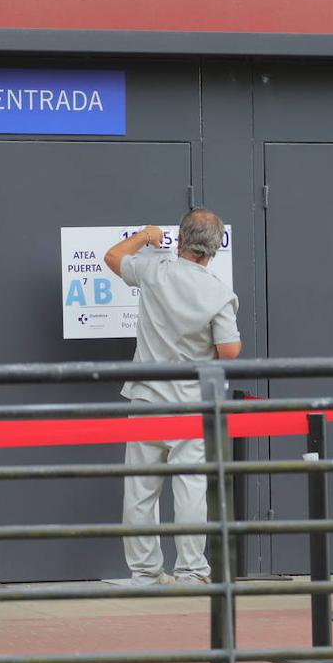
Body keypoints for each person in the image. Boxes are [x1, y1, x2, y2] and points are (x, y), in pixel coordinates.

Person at [105, 208, 240, 586]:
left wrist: (145, 236)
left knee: (140, 491)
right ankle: (192, 570)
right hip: (192, 403)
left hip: (147, 399)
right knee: (191, 490)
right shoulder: (218, 293)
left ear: (180, 240)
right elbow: (229, 351)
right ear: (214, 250)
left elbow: (113, 257)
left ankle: (145, 571)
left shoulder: (155, 271)